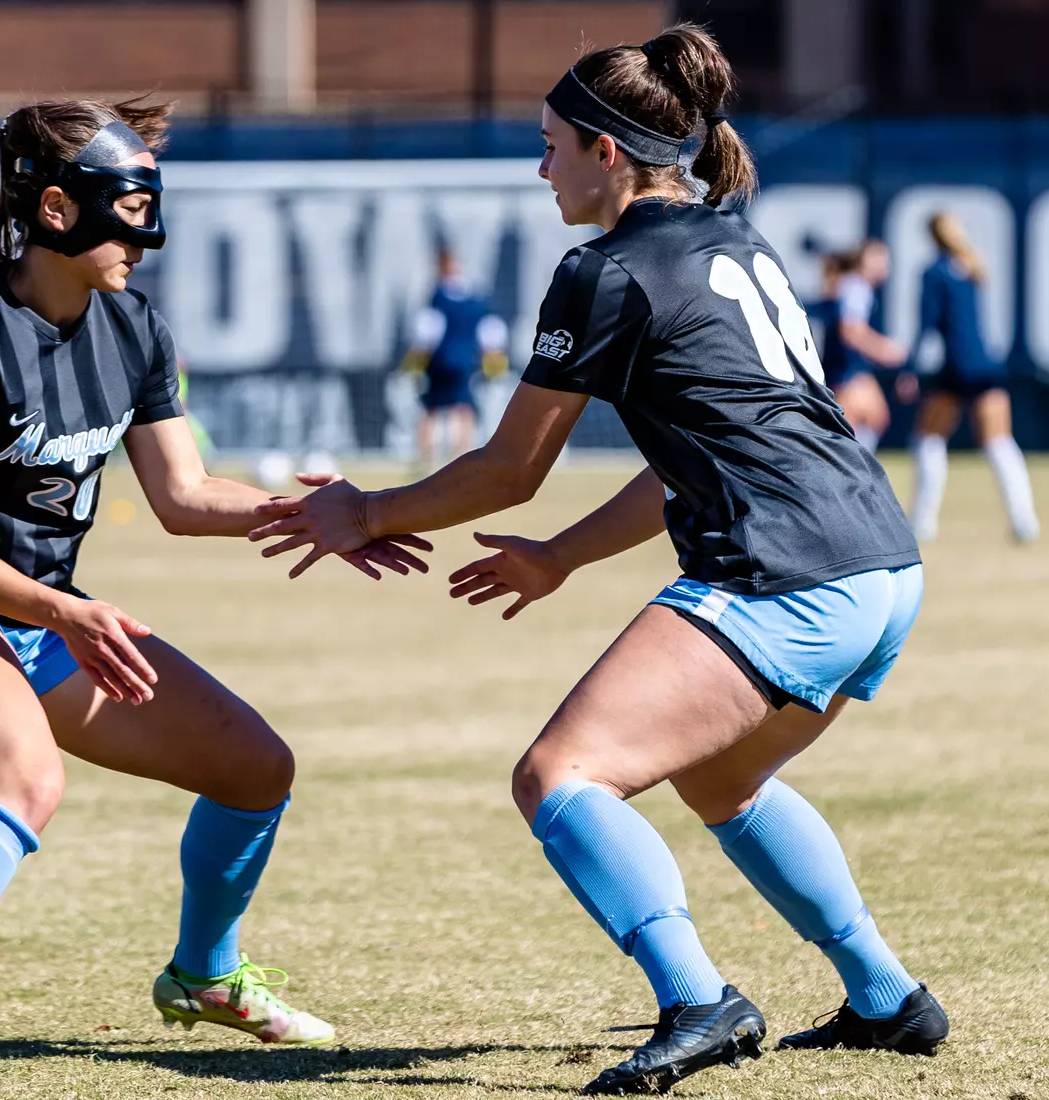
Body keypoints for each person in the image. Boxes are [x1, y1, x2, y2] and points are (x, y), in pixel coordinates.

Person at [248, 25, 947, 1095]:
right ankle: (887, 996)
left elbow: (507, 468)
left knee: (559, 776)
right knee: (724, 776)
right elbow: (692, 458)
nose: (541, 170)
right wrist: (562, 557)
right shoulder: (733, 240)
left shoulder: (606, 270)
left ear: (606, 152)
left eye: (550, 146)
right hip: (880, 564)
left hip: (788, 570)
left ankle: (698, 1000)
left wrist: (367, 510)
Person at [0, 97, 429, 1087]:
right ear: (57, 209)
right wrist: (64, 611)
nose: (147, 238)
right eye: (131, 211)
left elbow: (184, 496)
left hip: (43, 617)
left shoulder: (134, 326)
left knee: (254, 767)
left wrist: (319, 515)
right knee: (25, 781)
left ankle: (204, 975)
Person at [908, 211, 1039, 542]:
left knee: (928, 438)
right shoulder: (970, 266)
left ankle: (922, 522)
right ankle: (1024, 521)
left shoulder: (934, 272)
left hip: (955, 366)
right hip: (984, 364)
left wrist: (910, 367)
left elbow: (927, 322)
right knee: (999, 442)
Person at [401, 248, 509, 466]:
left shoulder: (437, 297)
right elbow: (490, 331)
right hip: (465, 361)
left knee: (431, 407)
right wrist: (493, 358)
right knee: (463, 407)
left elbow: (427, 331)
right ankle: (460, 456)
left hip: (439, 361)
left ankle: (425, 457)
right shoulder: (476, 299)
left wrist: (414, 362)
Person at [821, 240, 908, 452]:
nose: (885, 265)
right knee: (851, 427)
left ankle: (854, 466)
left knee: (873, 420)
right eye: (879, 258)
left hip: (849, 368)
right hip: (846, 369)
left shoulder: (856, 286)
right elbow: (850, 331)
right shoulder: (856, 287)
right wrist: (884, 350)